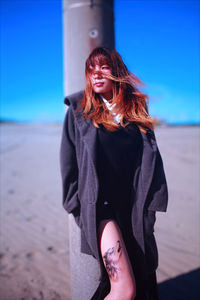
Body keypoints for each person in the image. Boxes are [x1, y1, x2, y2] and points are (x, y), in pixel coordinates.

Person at [60, 47, 168, 300]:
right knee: (124, 289)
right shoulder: (79, 111)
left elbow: (153, 164)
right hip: (101, 210)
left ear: (116, 72)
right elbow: (68, 166)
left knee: (142, 282)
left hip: (134, 209)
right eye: (90, 70)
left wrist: (150, 208)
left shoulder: (135, 113)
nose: (95, 75)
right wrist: (77, 207)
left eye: (103, 68)